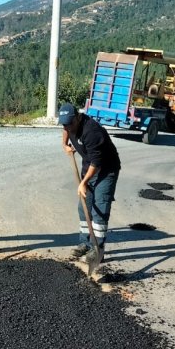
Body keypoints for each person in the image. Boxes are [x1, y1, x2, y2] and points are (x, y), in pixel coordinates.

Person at [58, 102, 121, 261]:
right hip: (90, 168)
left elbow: (97, 163)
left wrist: (83, 182)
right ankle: (84, 244)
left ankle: (97, 250)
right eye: (64, 124)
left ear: (78, 118)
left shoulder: (92, 132)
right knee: (83, 207)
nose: (67, 127)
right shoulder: (69, 125)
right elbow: (65, 130)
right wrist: (64, 144)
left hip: (106, 170)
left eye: (70, 123)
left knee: (99, 210)